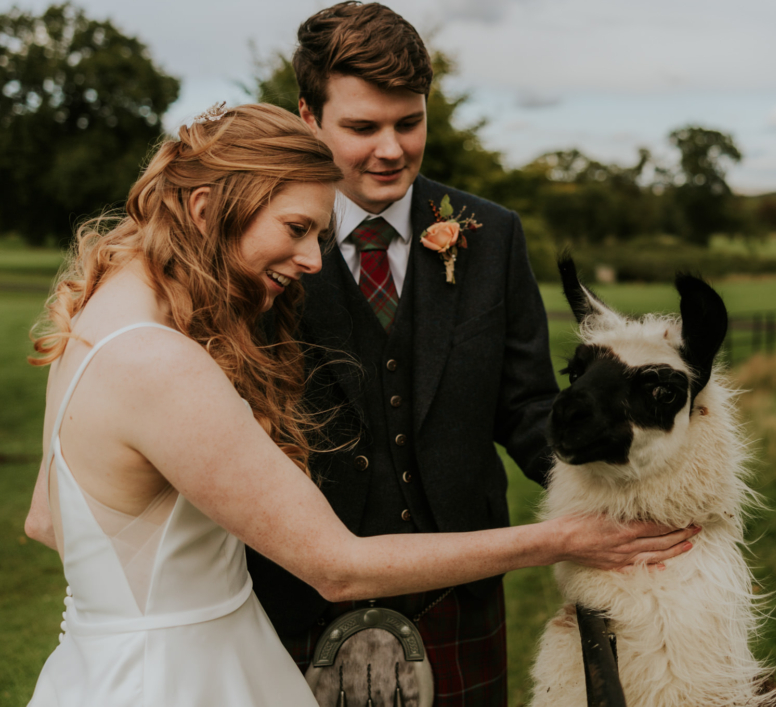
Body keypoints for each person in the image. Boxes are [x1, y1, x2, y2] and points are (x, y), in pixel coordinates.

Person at [23, 103, 697, 707]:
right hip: (177, 677)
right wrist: (562, 538)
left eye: (318, 233)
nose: (313, 260)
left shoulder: (97, 306)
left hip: (105, 658)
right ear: (204, 208)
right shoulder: (159, 361)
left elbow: (46, 518)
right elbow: (336, 566)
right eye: (294, 227)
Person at [243, 1, 563, 704]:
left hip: (458, 590)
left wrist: (623, 488)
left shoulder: (493, 235)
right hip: (295, 590)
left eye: (408, 123)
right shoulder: (260, 240)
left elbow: (529, 406)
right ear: (308, 116)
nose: (390, 149)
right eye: (361, 127)